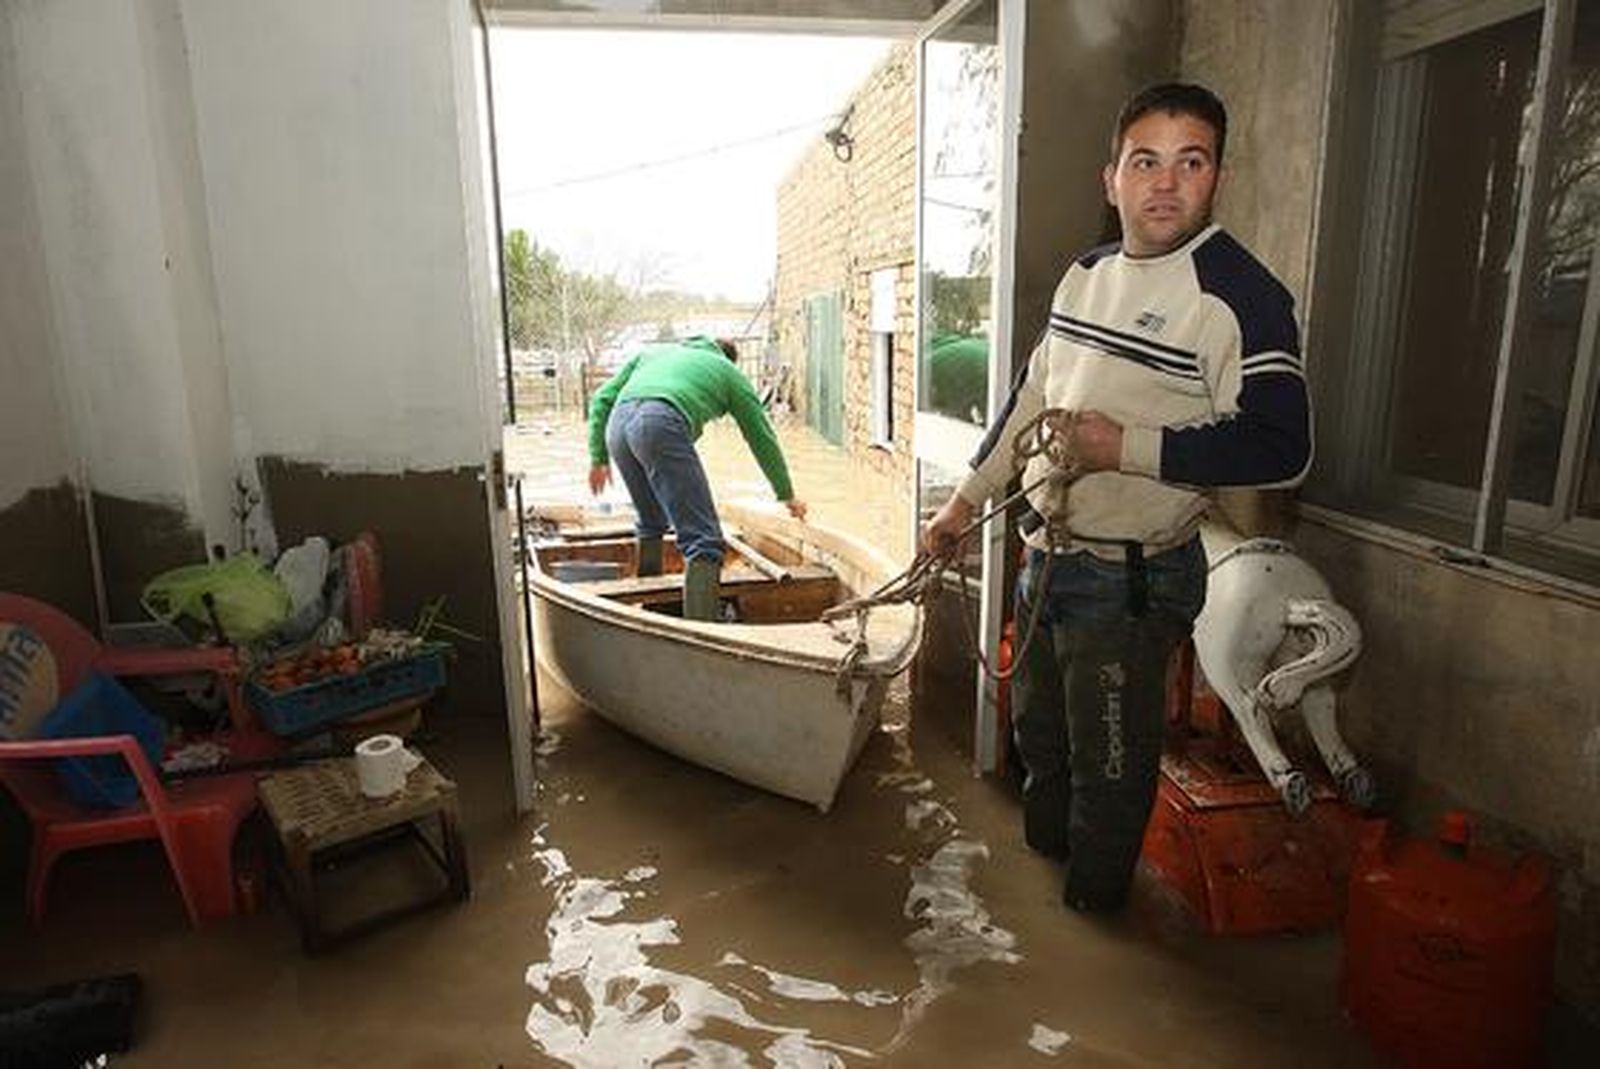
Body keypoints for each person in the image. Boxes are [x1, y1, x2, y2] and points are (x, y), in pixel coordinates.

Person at [921, 83, 1312, 912]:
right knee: (1040, 741)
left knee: (1108, 765)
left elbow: (1285, 446)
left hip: (1132, 580)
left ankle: (1089, 926)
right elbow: (1027, 405)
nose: (1164, 183)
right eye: (1146, 161)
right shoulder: (1085, 276)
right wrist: (961, 508)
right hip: (1049, 556)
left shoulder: (1242, 295)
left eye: (1190, 161)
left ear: (1219, 177)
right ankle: (1039, 906)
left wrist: (1120, 446)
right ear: (1113, 179)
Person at [587, 335, 808, 621]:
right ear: (729, 359)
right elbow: (761, 437)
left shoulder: (654, 353)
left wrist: (598, 458)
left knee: (652, 521)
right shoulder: (729, 373)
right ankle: (702, 628)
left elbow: (602, 399)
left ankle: (649, 608)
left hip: (618, 428)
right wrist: (786, 494)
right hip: (659, 423)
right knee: (704, 540)